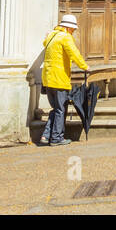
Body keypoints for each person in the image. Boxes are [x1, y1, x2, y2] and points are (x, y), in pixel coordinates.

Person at [40, 13, 88, 146]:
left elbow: (45, 44)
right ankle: (56, 138)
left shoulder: (52, 35)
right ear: (68, 27)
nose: (73, 32)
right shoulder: (65, 37)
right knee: (61, 109)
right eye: (73, 29)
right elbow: (74, 54)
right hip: (59, 78)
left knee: (56, 108)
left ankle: (45, 136)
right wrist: (85, 66)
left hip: (48, 78)